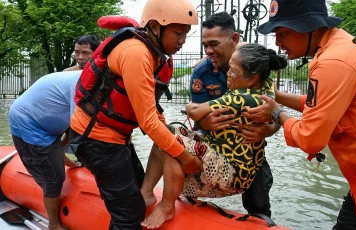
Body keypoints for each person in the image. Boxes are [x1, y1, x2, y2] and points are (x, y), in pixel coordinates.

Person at [243, 0, 356, 229]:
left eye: (284, 33)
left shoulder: (333, 61)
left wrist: (277, 113)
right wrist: (277, 96)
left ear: (311, 27)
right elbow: (325, 105)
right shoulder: (341, 46)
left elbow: (310, 139)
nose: (277, 42)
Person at [67, 0, 201, 229]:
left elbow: (151, 110)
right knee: (128, 214)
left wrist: (169, 135)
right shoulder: (137, 53)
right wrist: (186, 158)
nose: (182, 41)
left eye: (186, 34)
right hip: (96, 140)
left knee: (141, 191)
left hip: (116, 137)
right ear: (155, 27)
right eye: (178, 33)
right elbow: (148, 122)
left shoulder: (153, 52)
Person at [140, 43, 287, 229]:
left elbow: (194, 111)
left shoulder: (240, 97)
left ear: (251, 79)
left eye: (234, 70)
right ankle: (147, 193)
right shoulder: (265, 86)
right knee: (170, 131)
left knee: (169, 135)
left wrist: (192, 109)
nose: (228, 73)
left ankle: (166, 205)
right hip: (238, 164)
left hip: (232, 173)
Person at [189, 12, 280, 218]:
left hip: (248, 147)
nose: (208, 51)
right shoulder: (201, 73)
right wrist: (205, 121)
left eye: (214, 44)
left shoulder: (254, 61)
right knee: (189, 184)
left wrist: (271, 129)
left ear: (234, 40)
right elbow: (196, 114)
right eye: (205, 45)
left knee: (258, 201)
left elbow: (274, 109)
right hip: (215, 143)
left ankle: (260, 218)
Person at [9, 71, 82, 230]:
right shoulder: (80, 84)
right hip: (30, 123)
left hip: (48, 120)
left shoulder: (85, 76)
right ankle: (54, 224)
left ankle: (61, 155)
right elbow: (80, 127)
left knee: (71, 136)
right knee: (54, 176)